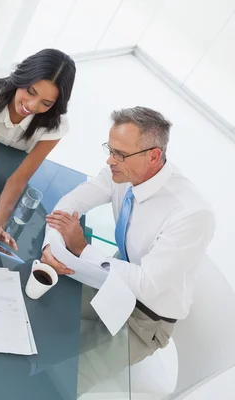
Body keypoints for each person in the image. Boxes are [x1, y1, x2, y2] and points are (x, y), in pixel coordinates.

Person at [41, 106, 215, 393]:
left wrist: (83, 249)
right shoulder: (120, 172)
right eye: (110, 149)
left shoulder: (191, 213)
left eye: (120, 154)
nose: (110, 160)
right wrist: (52, 247)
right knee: (41, 299)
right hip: (112, 283)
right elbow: (72, 203)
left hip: (145, 319)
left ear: (154, 156)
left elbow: (146, 285)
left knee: (62, 379)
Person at [0, 49, 76, 248]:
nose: (32, 105)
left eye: (46, 103)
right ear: (21, 77)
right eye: (30, 91)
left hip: (12, 173)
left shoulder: (57, 124)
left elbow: (20, 178)